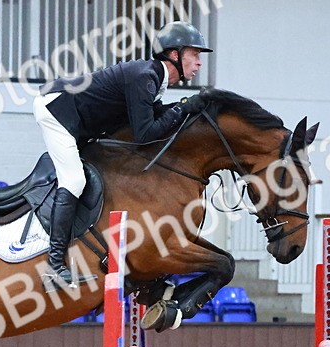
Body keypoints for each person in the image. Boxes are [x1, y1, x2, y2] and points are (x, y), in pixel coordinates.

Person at [33, 21, 213, 292]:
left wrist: (184, 108)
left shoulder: (154, 78)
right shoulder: (145, 77)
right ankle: (54, 267)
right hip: (58, 110)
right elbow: (145, 134)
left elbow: (156, 116)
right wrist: (184, 108)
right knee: (74, 181)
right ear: (175, 54)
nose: (199, 63)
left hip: (80, 118)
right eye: (194, 55)